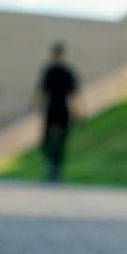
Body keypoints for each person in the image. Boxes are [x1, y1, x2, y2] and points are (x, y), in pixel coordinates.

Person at [36, 42, 81, 183]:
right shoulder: (49, 71)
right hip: (50, 110)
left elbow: (73, 95)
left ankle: (56, 170)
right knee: (46, 142)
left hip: (63, 110)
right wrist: (39, 107)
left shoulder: (67, 73)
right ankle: (51, 165)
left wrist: (77, 113)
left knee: (61, 142)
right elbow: (41, 91)